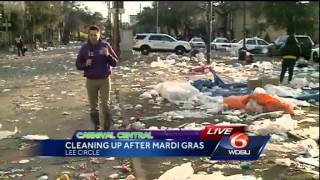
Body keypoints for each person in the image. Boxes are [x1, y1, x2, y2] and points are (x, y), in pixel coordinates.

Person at [76, 25, 119, 130]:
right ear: (88, 36)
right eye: (91, 35)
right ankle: (97, 127)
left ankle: (107, 128)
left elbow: (115, 63)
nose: (93, 37)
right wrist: (85, 64)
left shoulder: (105, 46)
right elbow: (78, 64)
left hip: (104, 80)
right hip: (91, 81)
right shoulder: (84, 48)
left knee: (106, 105)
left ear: (99, 34)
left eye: (95, 35)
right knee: (93, 107)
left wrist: (108, 55)